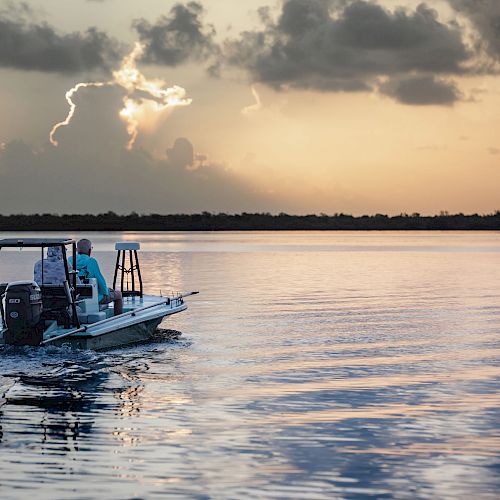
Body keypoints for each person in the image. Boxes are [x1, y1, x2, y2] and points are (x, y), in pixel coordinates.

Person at [68, 239, 123, 316]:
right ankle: (118, 319)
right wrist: (106, 293)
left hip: (75, 296)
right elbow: (101, 283)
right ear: (90, 250)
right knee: (118, 295)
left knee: (110, 290)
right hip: (94, 297)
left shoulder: (70, 260)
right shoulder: (91, 261)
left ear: (77, 249)